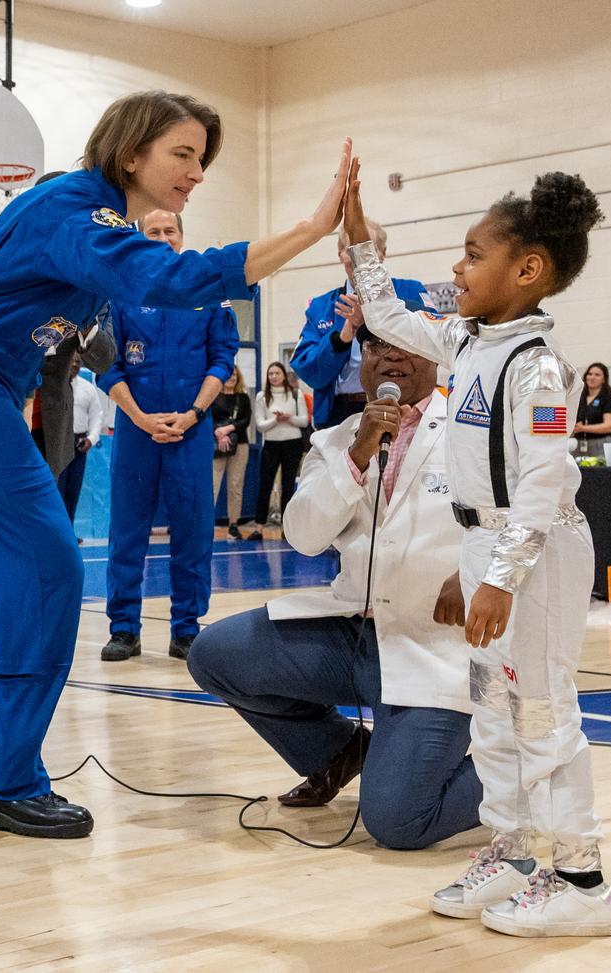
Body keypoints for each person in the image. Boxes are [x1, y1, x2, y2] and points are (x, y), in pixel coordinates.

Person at [0, 89, 353, 839]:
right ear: (132, 153)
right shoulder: (76, 210)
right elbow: (173, 279)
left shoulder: (99, 216)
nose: (196, 173)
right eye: (183, 155)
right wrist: (310, 229)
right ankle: (4, 779)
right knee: (49, 566)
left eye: (203, 160)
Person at [345, 163, 611, 937]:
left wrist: (500, 575)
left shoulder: (536, 368)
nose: (456, 269)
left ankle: (584, 880)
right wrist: (357, 232)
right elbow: (387, 314)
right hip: (484, 543)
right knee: (493, 713)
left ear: (526, 270)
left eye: (471, 254)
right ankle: (520, 853)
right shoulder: (465, 338)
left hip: (534, 551)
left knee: (542, 712)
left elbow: (546, 479)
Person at [188, 327, 483, 849]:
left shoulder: (474, 427)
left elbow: (535, 515)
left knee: (398, 823)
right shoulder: (335, 439)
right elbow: (303, 536)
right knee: (215, 653)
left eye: (405, 346)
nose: (389, 356)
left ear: (436, 355)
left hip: (436, 646)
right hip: (352, 635)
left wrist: (474, 572)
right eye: (375, 347)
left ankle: (530, 772)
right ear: (362, 362)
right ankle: (340, 751)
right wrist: (359, 454)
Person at [99, 208, 240, 662]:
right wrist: (139, 417)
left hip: (191, 430)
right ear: (141, 237)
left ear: (183, 235)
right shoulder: (121, 292)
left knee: (193, 531)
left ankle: (186, 628)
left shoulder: (208, 293)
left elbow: (222, 359)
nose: (162, 238)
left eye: (170, 230)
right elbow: (107, 364)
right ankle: (124, 629)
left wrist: (195, 413)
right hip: (136, 430)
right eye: (153, 231)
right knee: (127, 531)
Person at [290, 218, 429, 429]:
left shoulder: (412, 292)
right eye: (351, 249)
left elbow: (433, 347)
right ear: (340, 254)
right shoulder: (321, 307)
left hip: (401, 407)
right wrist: (343, 337)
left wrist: (377, 321)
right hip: (340, 412)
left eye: (368, 249)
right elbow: (309, 372)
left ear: (383, 253)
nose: (359, 258)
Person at [250, 360, 309, 537]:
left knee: (288, 485)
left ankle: (287, 528)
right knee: (265, 485)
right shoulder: (262, 396)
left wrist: (289, 418)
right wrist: (275, 420)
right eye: (271, 374)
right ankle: (259, 527)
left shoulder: (295, 394)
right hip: (271, 444)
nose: (274, 377)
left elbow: (304, 421)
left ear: (284, 375)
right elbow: (260, 425)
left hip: (293, 443)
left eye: (277, 373)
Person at [58, 353, 105, 530]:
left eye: (78, 362)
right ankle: (59, 533)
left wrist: (91, 439)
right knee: (57, 490)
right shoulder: (55, 387)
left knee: (73, 489)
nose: (75, 364)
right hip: (58, 443)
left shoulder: (88, 389)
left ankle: (68, 531)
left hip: (79, 443)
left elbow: (97, 416)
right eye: (73, 360)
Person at [211, 364, 253, 539]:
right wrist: (219, 434)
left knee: (235, 486)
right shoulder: (213, 396)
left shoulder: (243, 398)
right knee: (212, 485)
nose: (232, 378)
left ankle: (233, 524)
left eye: (235, 375)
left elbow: (246, 420)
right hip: (216, 444)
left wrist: (228, 429)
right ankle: (206, 525)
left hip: (240, 444)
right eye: (229, 374)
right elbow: (206, 418)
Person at [573, 362, 611, 459]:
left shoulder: (609, 399)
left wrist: (583, 428)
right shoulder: (578, 398)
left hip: (601, 445)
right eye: (590, 374)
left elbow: (609, 426)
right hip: (578, 445)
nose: (592, 377)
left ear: (604, 379)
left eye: (597, 375)